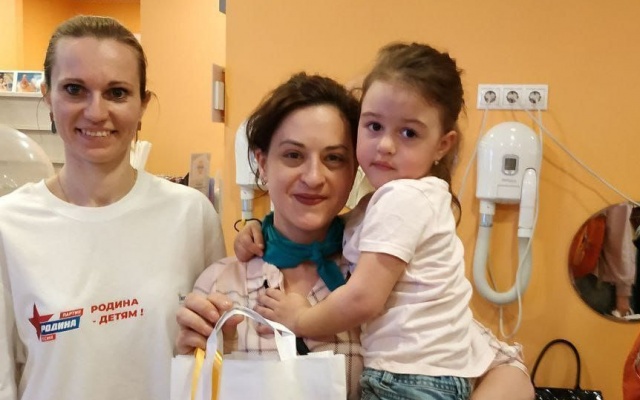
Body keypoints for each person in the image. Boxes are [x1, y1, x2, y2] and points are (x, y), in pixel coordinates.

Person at [176, 71, 535, 400]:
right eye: (293, 155)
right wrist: (199, 350)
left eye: (334, 158)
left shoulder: (384, 269)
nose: (313, 177)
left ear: (355, 169)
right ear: (263, 163)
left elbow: (510, 373)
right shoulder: (222, 284)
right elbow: (194, 385)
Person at [0, 15, 226, 400]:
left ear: (142, 104)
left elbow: (217, 355)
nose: (96, 111)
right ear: (47, 97)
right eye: (75, 89)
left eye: (117, 92)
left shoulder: (191, 214)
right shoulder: (9, 224)